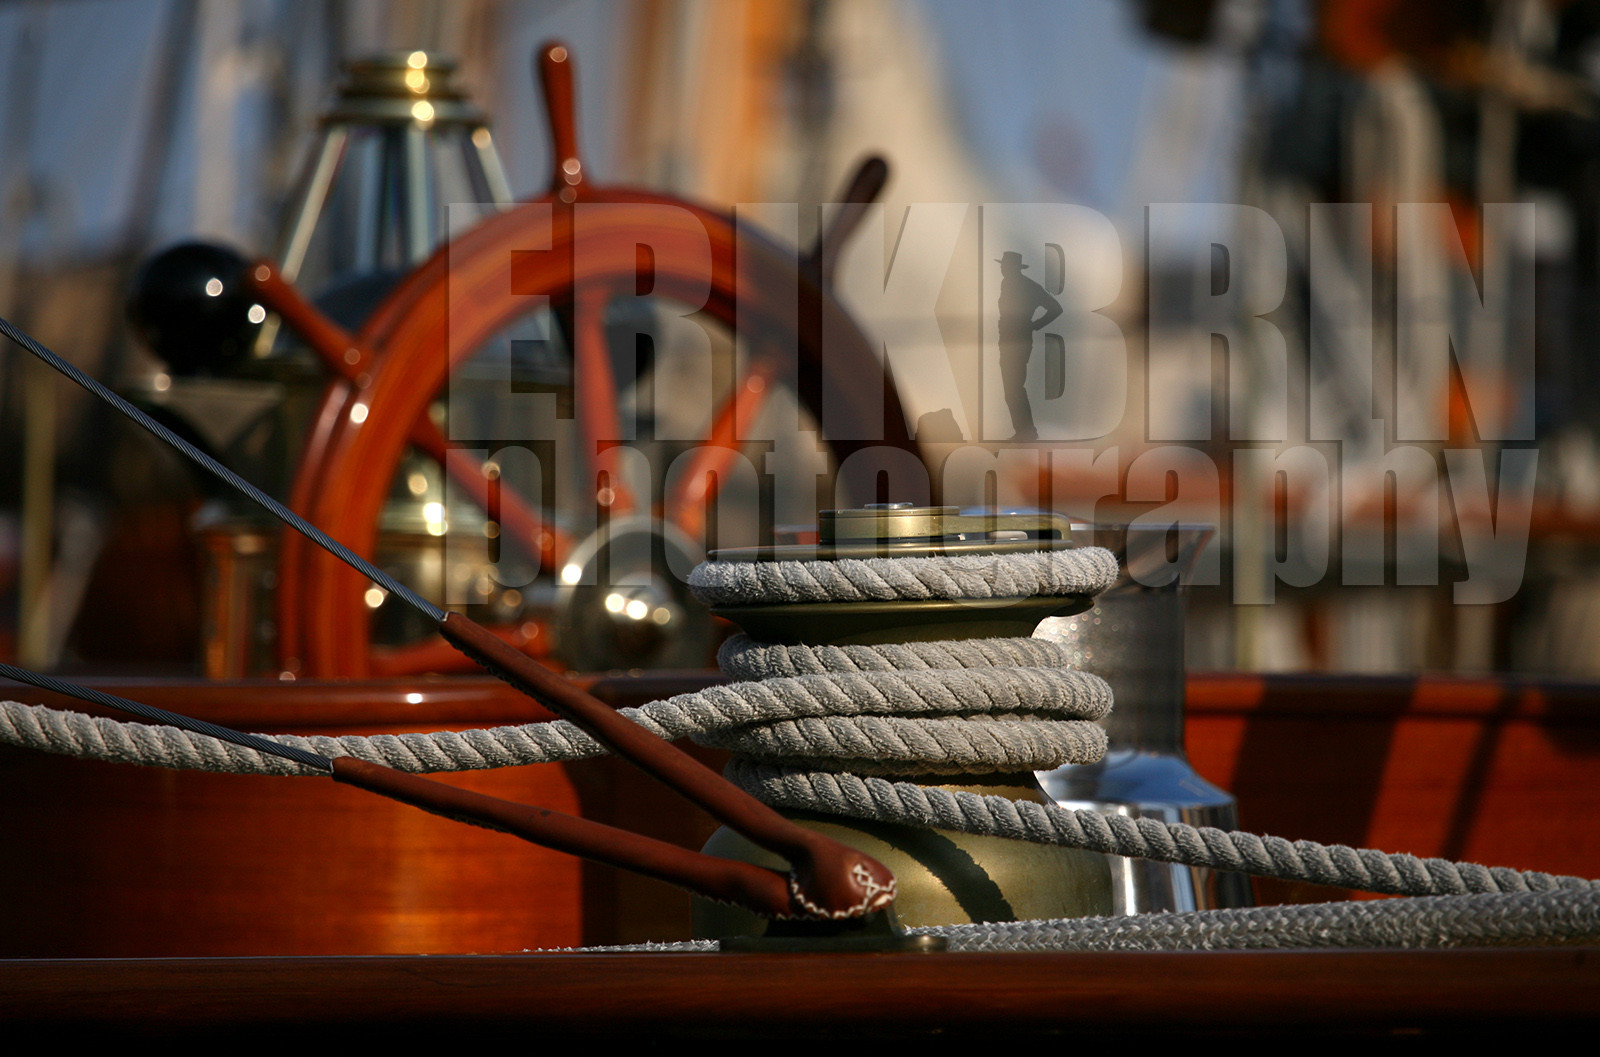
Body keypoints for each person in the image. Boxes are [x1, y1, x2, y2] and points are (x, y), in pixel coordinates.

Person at [996, 250, 1063, 442]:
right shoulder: (1006, 283)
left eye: (1004, 265)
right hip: (1008, 340)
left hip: (1018, 340)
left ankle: (1026, 432)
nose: (1002, 268)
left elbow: (1056, 308)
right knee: (1011, 388)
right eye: (1002, 265)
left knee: (1014, 387)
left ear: (1013, 267)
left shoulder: (1028, 286)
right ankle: (1024, 431)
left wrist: (1035, 325)